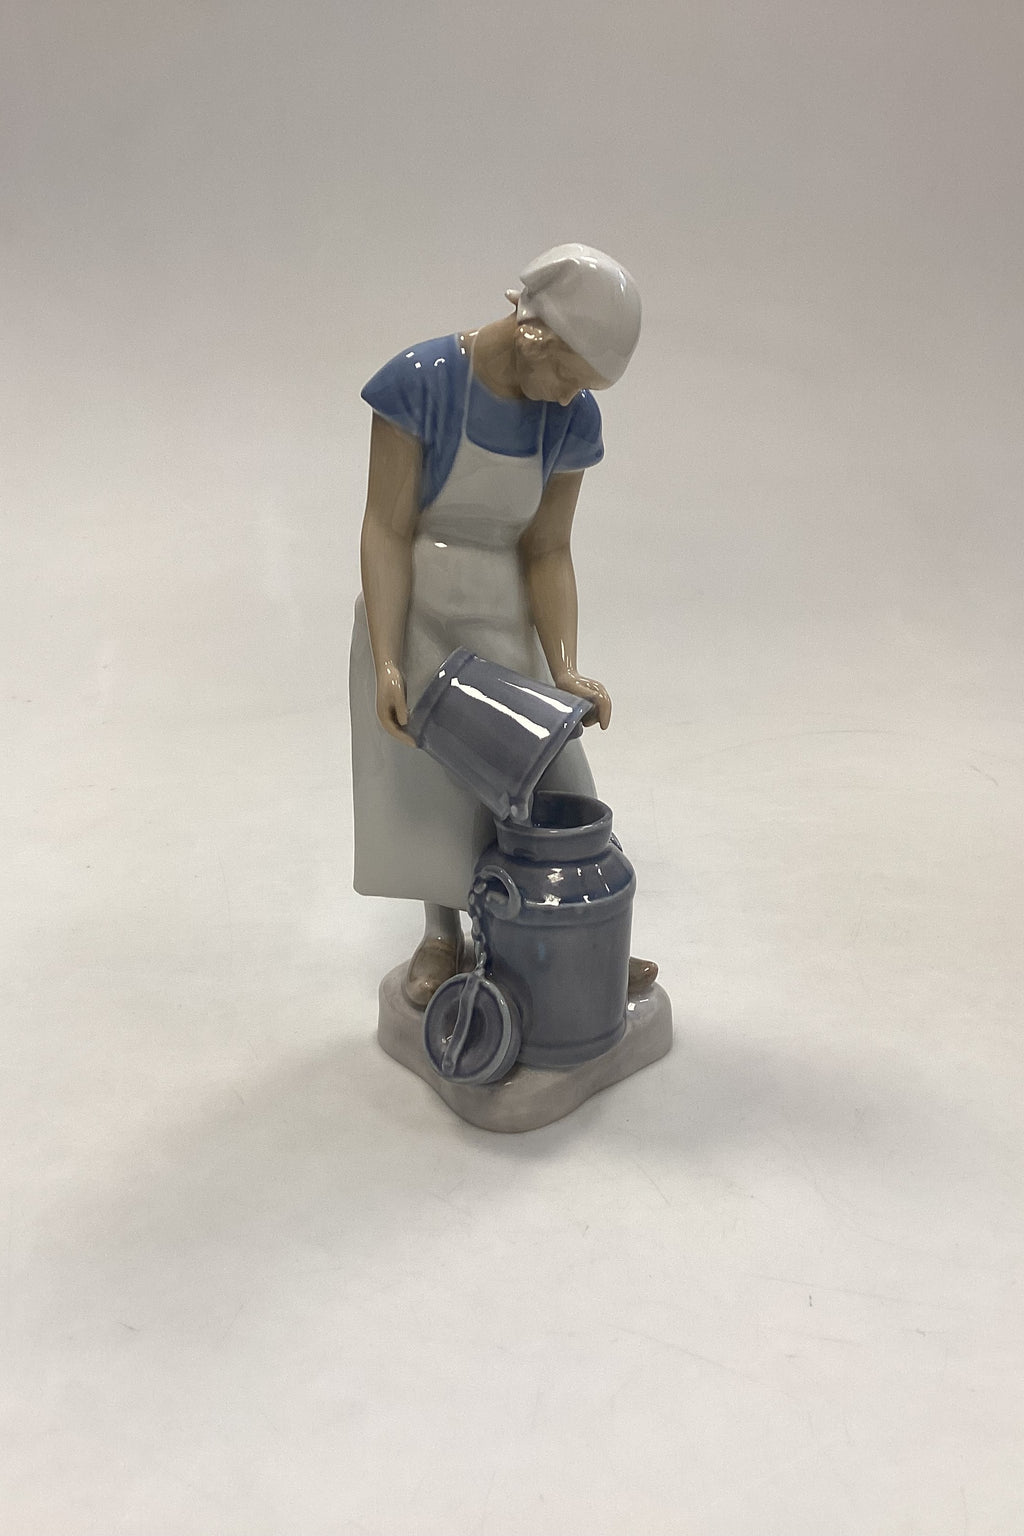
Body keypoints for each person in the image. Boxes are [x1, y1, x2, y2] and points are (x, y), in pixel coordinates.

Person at [350, 243, 657, 1007]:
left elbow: (548, 549)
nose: (571, 397)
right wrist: (388, 659)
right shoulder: (421, 383)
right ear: (535, 335)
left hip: (505, 615)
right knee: (438, 792)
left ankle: (582, 933)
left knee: (558, 780)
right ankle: (441, 938)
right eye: (570, 376)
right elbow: (386, 528)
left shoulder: (569, 418)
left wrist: (565, 668)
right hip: (418, 615)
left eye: (585, 388)